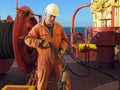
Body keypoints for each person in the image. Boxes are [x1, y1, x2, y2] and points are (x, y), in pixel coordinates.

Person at [24, 3, 71, 90]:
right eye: (51, 16)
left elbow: (65, 40)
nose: (53, 19)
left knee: (65, 81)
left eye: (55, 16)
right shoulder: (38, 27)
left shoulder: (59, 26)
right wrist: (40, 42)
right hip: (44, 60)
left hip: (58, 58)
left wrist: (62, 49)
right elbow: (27, 39)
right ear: (45, 14)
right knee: (42, 83)